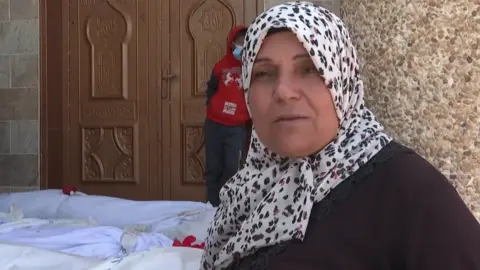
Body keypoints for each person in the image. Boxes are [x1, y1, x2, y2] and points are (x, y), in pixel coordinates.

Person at [201, 2, 480, 269]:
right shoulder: (247, 190)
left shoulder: (407, 191)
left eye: (310, 69)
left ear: (343, 80)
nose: (284, 91)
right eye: (263, 73)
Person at [204, 25, 250, 207]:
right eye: (239, 42)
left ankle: (230, 208)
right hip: (214, 125)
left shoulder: (252, 68)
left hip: (237, 128)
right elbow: (211, 88)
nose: (241, 46)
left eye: (245, 42)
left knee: (233, 169)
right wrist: (213, 106)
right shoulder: (220, 66)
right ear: (231, 43)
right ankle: (211, 207)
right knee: (213, 168)